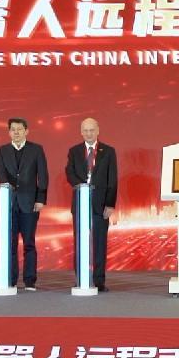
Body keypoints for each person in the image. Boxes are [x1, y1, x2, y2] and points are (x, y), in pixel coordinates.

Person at [64, 118, 118, 291]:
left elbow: (112, 179)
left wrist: (110, 204)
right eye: (86, 130)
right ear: (81, 132)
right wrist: (81, 186)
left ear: (98, 130)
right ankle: (81, 279)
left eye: (92, 130)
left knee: (100, 243)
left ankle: (99, 281)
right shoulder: (74, 151)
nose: (89, 133)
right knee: (80, 242)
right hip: (80, 203)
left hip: (100, 205)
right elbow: (69, 173)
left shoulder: (108, 151)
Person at [0, 118, 48, 291]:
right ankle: (10, 280)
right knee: (10, 243)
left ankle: (30, 280)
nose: (16, 132)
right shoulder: (2, 150)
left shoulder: (36, 149)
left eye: (19, 129)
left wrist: (40, 199)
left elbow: (43, 176)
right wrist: (6, 187)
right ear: (9, 132)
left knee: (29, 243)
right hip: (9, 203)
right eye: (13, 129)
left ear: (26, 131)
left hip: (30, 203)